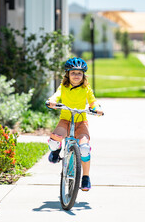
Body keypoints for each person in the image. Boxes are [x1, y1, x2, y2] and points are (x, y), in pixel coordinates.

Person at [46, 57, 103, 191]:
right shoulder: (63, 87)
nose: (76, 76)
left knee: (84, 148)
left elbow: (92, 101)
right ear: (68, 74)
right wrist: (51, 101)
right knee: (54, 141)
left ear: (83, 75)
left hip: (81, 122)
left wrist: (97, 108)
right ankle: (56, 150)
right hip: (65, 120)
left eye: (79, 73)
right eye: (73, 73)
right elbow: (56, 95)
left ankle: (85, 177)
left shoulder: (86, 88)